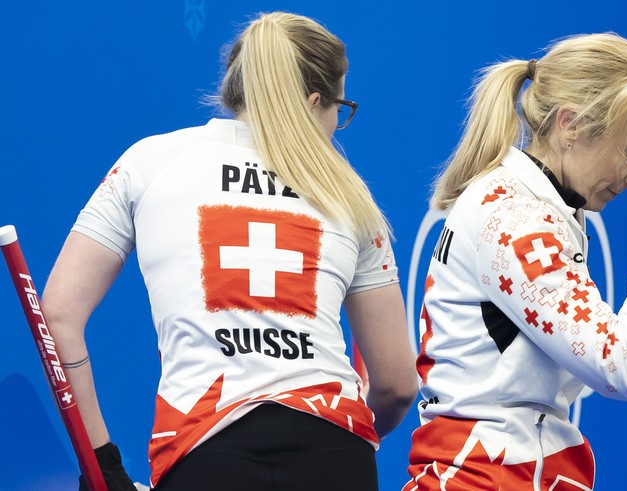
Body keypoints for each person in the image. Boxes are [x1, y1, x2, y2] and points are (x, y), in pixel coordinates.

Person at [40, 11, 418, 491]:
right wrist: (354, 430)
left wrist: (104, 464)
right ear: (313, 101)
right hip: (335, 456)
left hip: (203, 452)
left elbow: (56, 315)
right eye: (339, 110)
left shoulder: (149, 162)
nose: (335, 127)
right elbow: (396, 385)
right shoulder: (349, 194)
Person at [403, 33, 627, 489]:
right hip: (487, 476)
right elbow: (619, 365)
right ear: (571, 124)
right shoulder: (515, 217)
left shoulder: (535, 207)